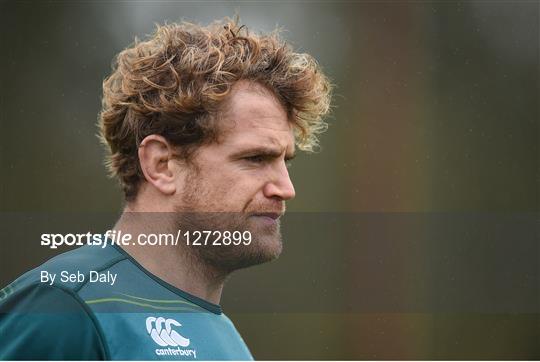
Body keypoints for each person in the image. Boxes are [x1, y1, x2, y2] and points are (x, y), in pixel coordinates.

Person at [0, 17, 331, 360]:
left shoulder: (229, 343)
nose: (285, 188)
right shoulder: (66, 308)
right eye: (255, 158)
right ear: (161, 165)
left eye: (285, 162)